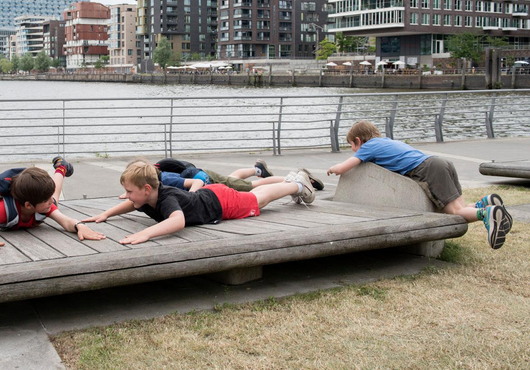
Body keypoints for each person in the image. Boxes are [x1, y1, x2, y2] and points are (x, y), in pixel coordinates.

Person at [327, 120, 512, 250]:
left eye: (351, 144)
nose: (352, 149)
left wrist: (335, 168)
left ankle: (486, 214)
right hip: (440, 162)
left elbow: (348, 165)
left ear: (358, 141)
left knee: (453, 212)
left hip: (427, 169)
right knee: (460, 206)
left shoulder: (368, 147)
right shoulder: (386, 141)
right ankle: (485, 203)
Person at [82, 159, 315, 245]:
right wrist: (106, 214)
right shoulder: (144, 197)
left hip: (220, 203)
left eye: (129, 191)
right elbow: (131, 204)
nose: (127, 196)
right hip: (211, 194)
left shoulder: (166, 198)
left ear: (146, 189)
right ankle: (291, 182)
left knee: (258, 199)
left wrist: (146, 234)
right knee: (254, 194)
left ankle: (297, 185)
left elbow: (178, 222)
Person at [0, 157, 105, 251]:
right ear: (29, 205)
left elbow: (65, 221)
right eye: (46, 200)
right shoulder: (4, 209)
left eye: (48, 199)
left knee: (54, 199)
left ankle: (61, 167)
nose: (50, 203)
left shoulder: (44, 204)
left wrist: (79, 225)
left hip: (34, 200)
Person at [155, 157, 324, 193]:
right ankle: (258, 169)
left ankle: (297, 179)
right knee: (232, 179)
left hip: (205, 178)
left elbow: (196, 182)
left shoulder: (166, 179)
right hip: (205, 175)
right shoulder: (157, 171)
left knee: (253, 186)